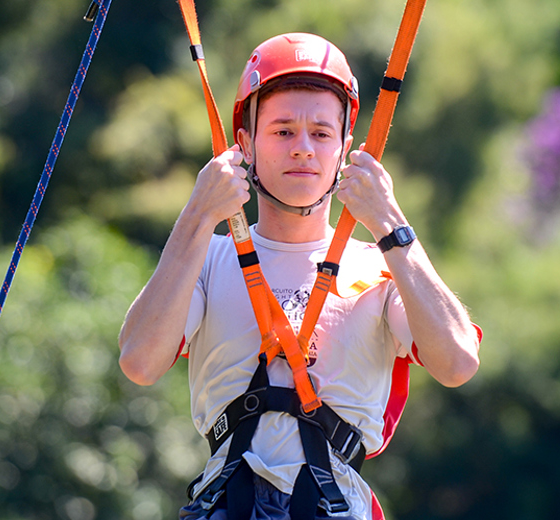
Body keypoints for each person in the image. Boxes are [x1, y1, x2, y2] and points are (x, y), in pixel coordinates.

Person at [118, 32, 481, 520]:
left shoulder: (381, 266)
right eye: (283, 131)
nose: (304, 149)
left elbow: (458, 362)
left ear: (344, 147)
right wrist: (197, 216)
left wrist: (392, 224)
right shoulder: (206, 260)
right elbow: (140, 360)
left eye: (322, 133)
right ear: (245, 143)